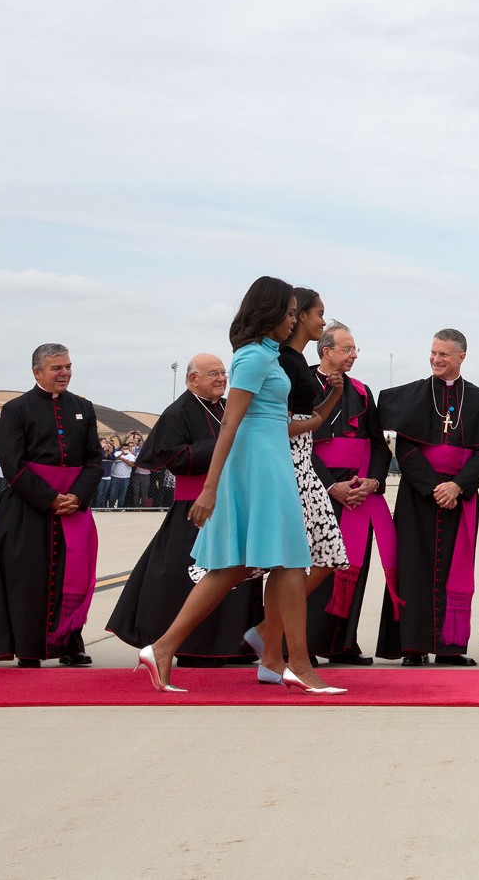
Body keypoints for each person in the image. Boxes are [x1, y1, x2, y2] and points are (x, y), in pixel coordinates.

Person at [139, 276, 342, 694]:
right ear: (268, 312)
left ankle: (165, 649)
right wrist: (210, 488)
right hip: (255, 467)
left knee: (268, 564)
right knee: (252, 563)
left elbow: (280, 421)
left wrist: (327, 403)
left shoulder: (269, 356)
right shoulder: (251, 357)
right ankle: (293, 665)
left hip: (274, 463)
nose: (292, 320)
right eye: (287, 313)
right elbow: (231, 422)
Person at [105, 354, 264, 665]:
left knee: (238, 574)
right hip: (196, 507)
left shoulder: (227, 407)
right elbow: (167, 455)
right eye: (213, 374)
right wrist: (220, 445)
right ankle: (196, 646)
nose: (221, 379)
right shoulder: (177, 411)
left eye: (223, 373)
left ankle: (233, 645)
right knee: (194, 575)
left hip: (235, 504)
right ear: (192, 379)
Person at [0, 344, 103, 667]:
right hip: (28, 508)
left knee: (74, 576)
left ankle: (70, 642)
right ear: (37, 372)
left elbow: (95, 460)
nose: (65, 373)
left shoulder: (83, 407)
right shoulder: (16, 409)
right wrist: (49, 498)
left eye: (68, 366)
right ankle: (29, 647)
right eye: (57, 368)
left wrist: (77, 497)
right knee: (27, 579)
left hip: (73, 505)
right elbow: (12, 464)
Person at [375, 329, 479, 665]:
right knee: (413, 569)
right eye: (433, 353)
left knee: (454, 571)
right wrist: (434, 486)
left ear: (462, 356)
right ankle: (413, 648)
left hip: (459, 498)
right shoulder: (415, 395)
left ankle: (449, 648)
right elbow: (405, 450)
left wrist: (458, 486)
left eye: (443, 354)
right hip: (419, 497)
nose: (435, 359)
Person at [253, 287, 348, 671]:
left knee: (318, 558)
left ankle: (269, 642)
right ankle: (274, 649)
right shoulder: (284, 362)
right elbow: (277, 421)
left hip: (302, 465)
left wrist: (331, 397)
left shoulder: (294, 360)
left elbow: (311, 420)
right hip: (289, 468)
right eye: (318, 313)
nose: (322, 321)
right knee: (294, 563)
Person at [305, 321, 392, 665]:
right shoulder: (302, 386)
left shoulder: (362, 391)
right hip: (316, 490)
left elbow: (378, 445)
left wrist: (373, 481)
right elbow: (300, 444)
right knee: (315, 571)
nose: (354, 355)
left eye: (355, 349)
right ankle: (303, 643)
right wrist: (330, 486)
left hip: (357, 494)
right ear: (326, 352)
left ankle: (342, 642)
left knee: (353, 568)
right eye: (347, 349)